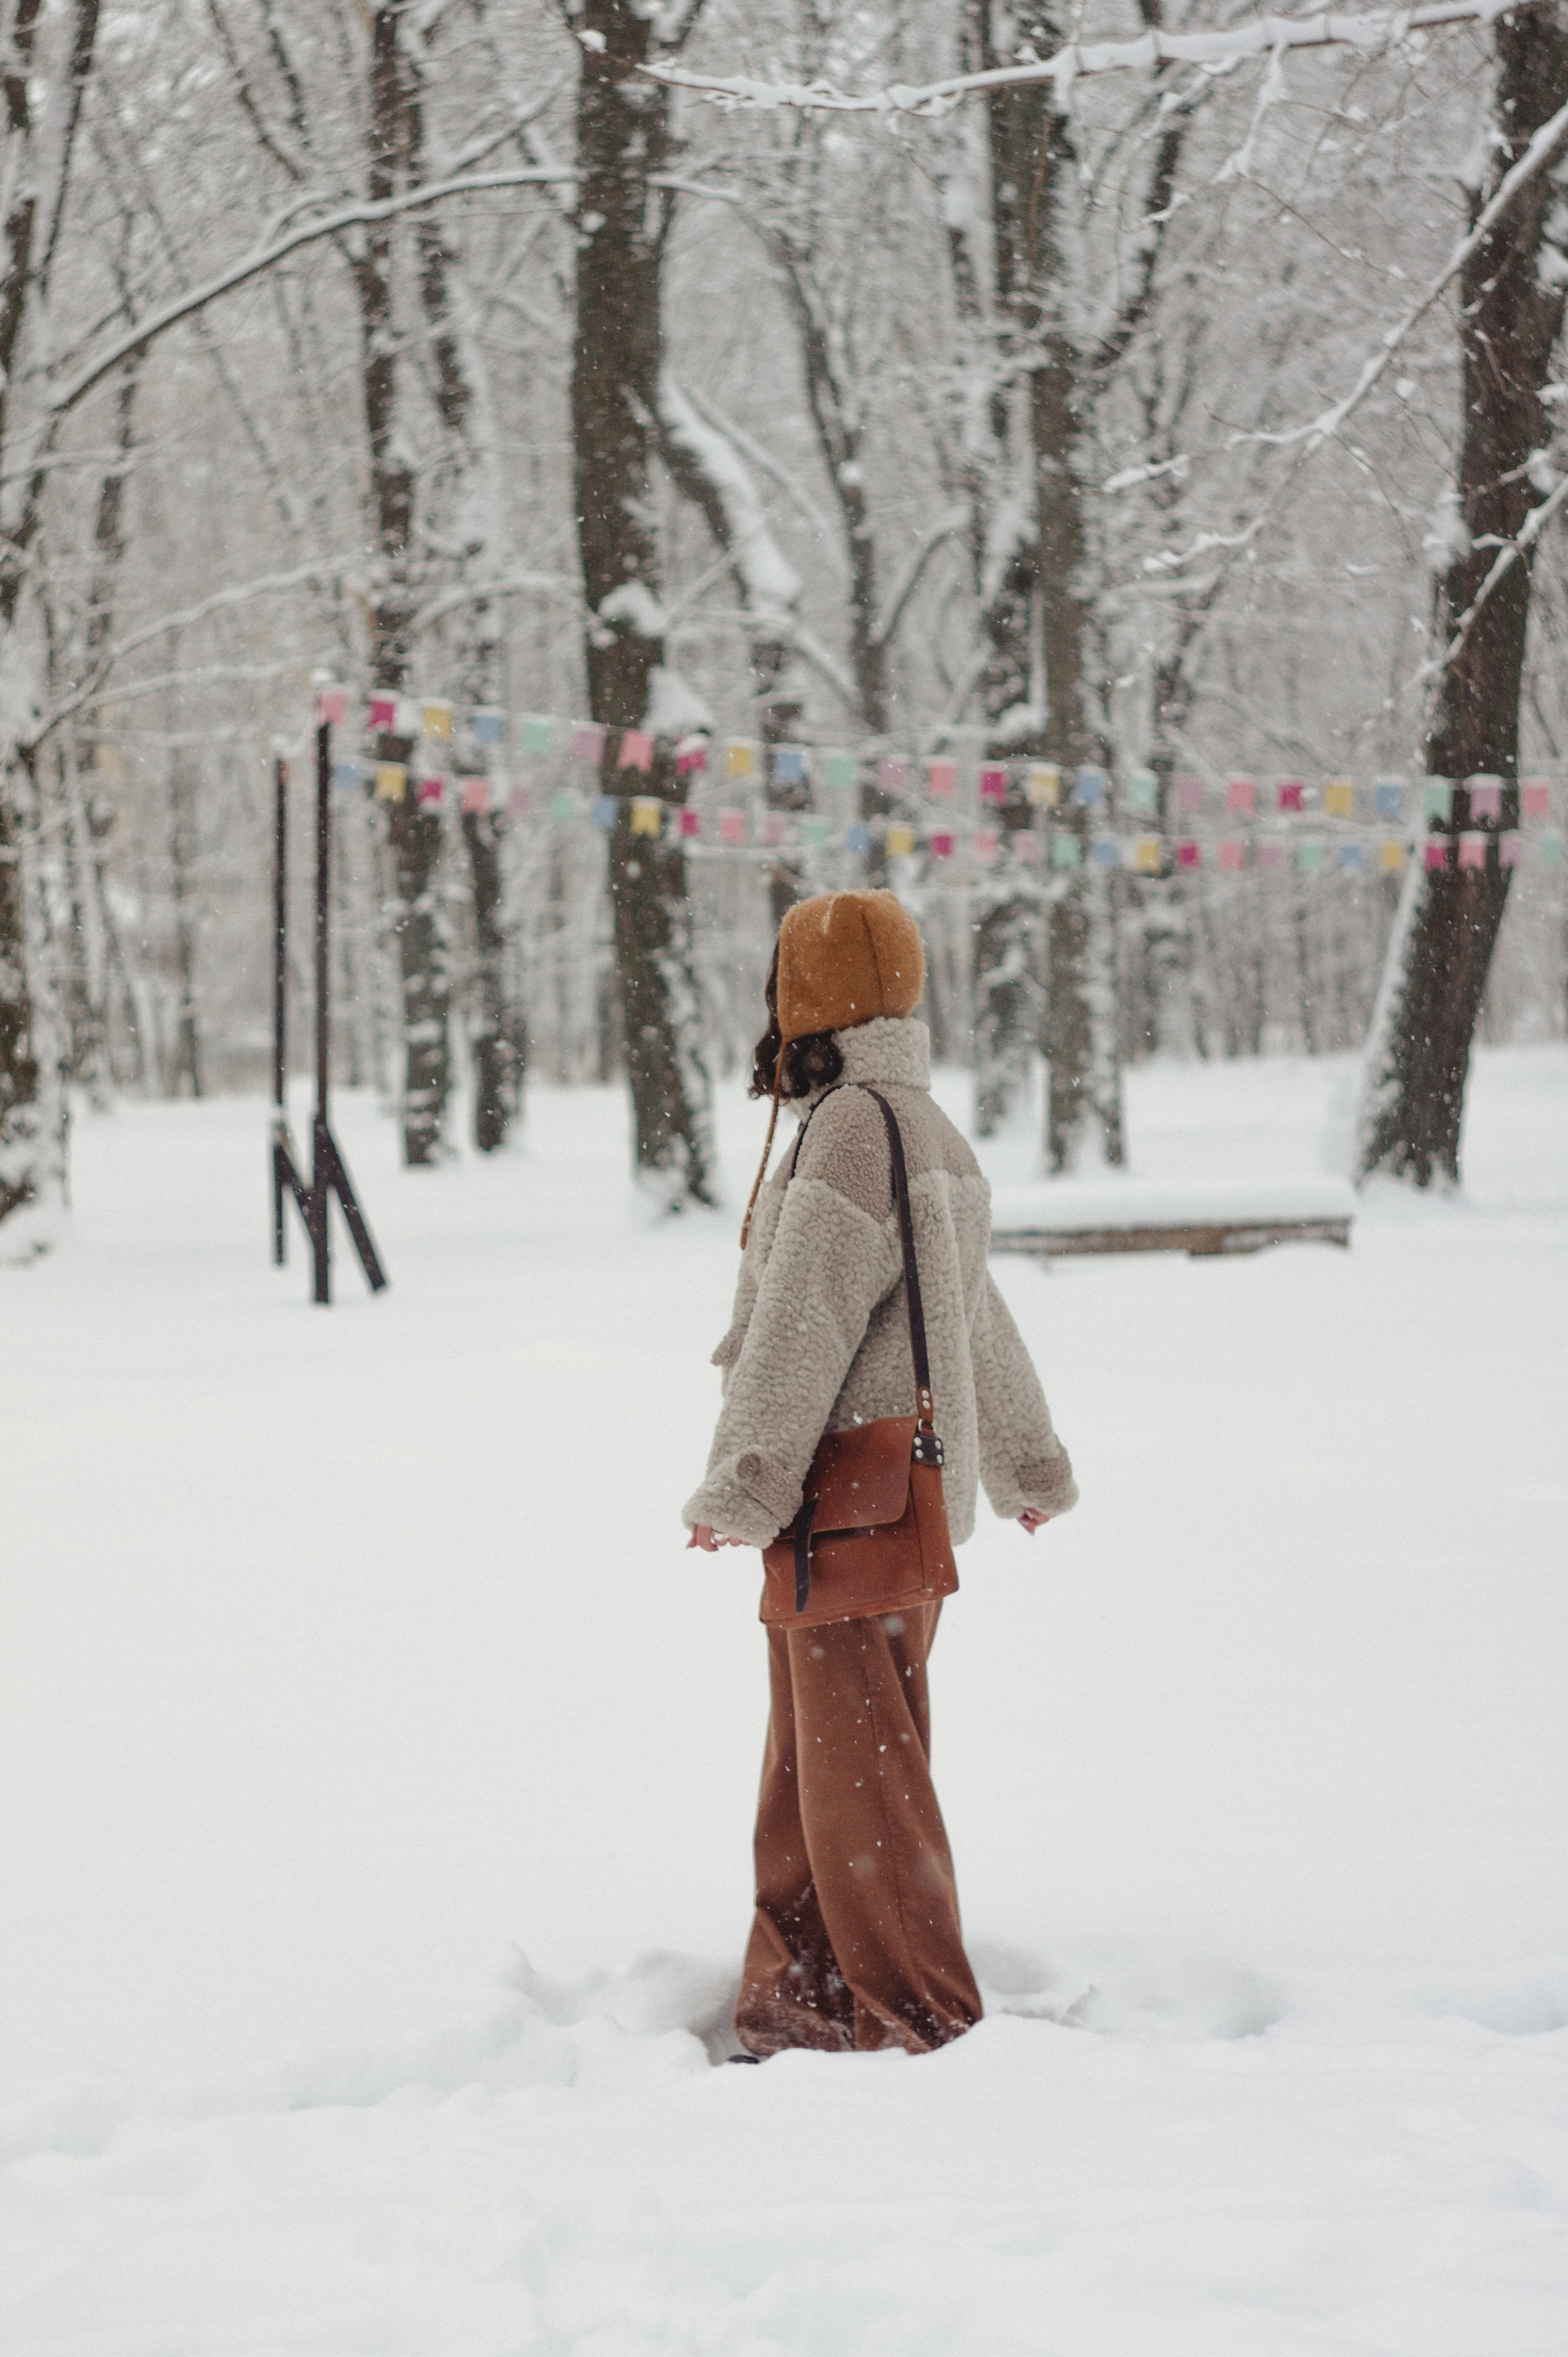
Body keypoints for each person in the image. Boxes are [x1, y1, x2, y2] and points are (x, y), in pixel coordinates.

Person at [684, 889, 1078, 2058]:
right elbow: (978, 1316)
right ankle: (798, 2005)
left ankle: (922, 2021)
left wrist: (742, 1486)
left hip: (848, 1506)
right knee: (817, 1769)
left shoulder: (853, 1128)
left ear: (802, 1000)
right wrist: (1025, 1463)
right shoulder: (927, 1123)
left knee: (862, 1786)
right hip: (902, 1503)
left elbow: (803, 1323)